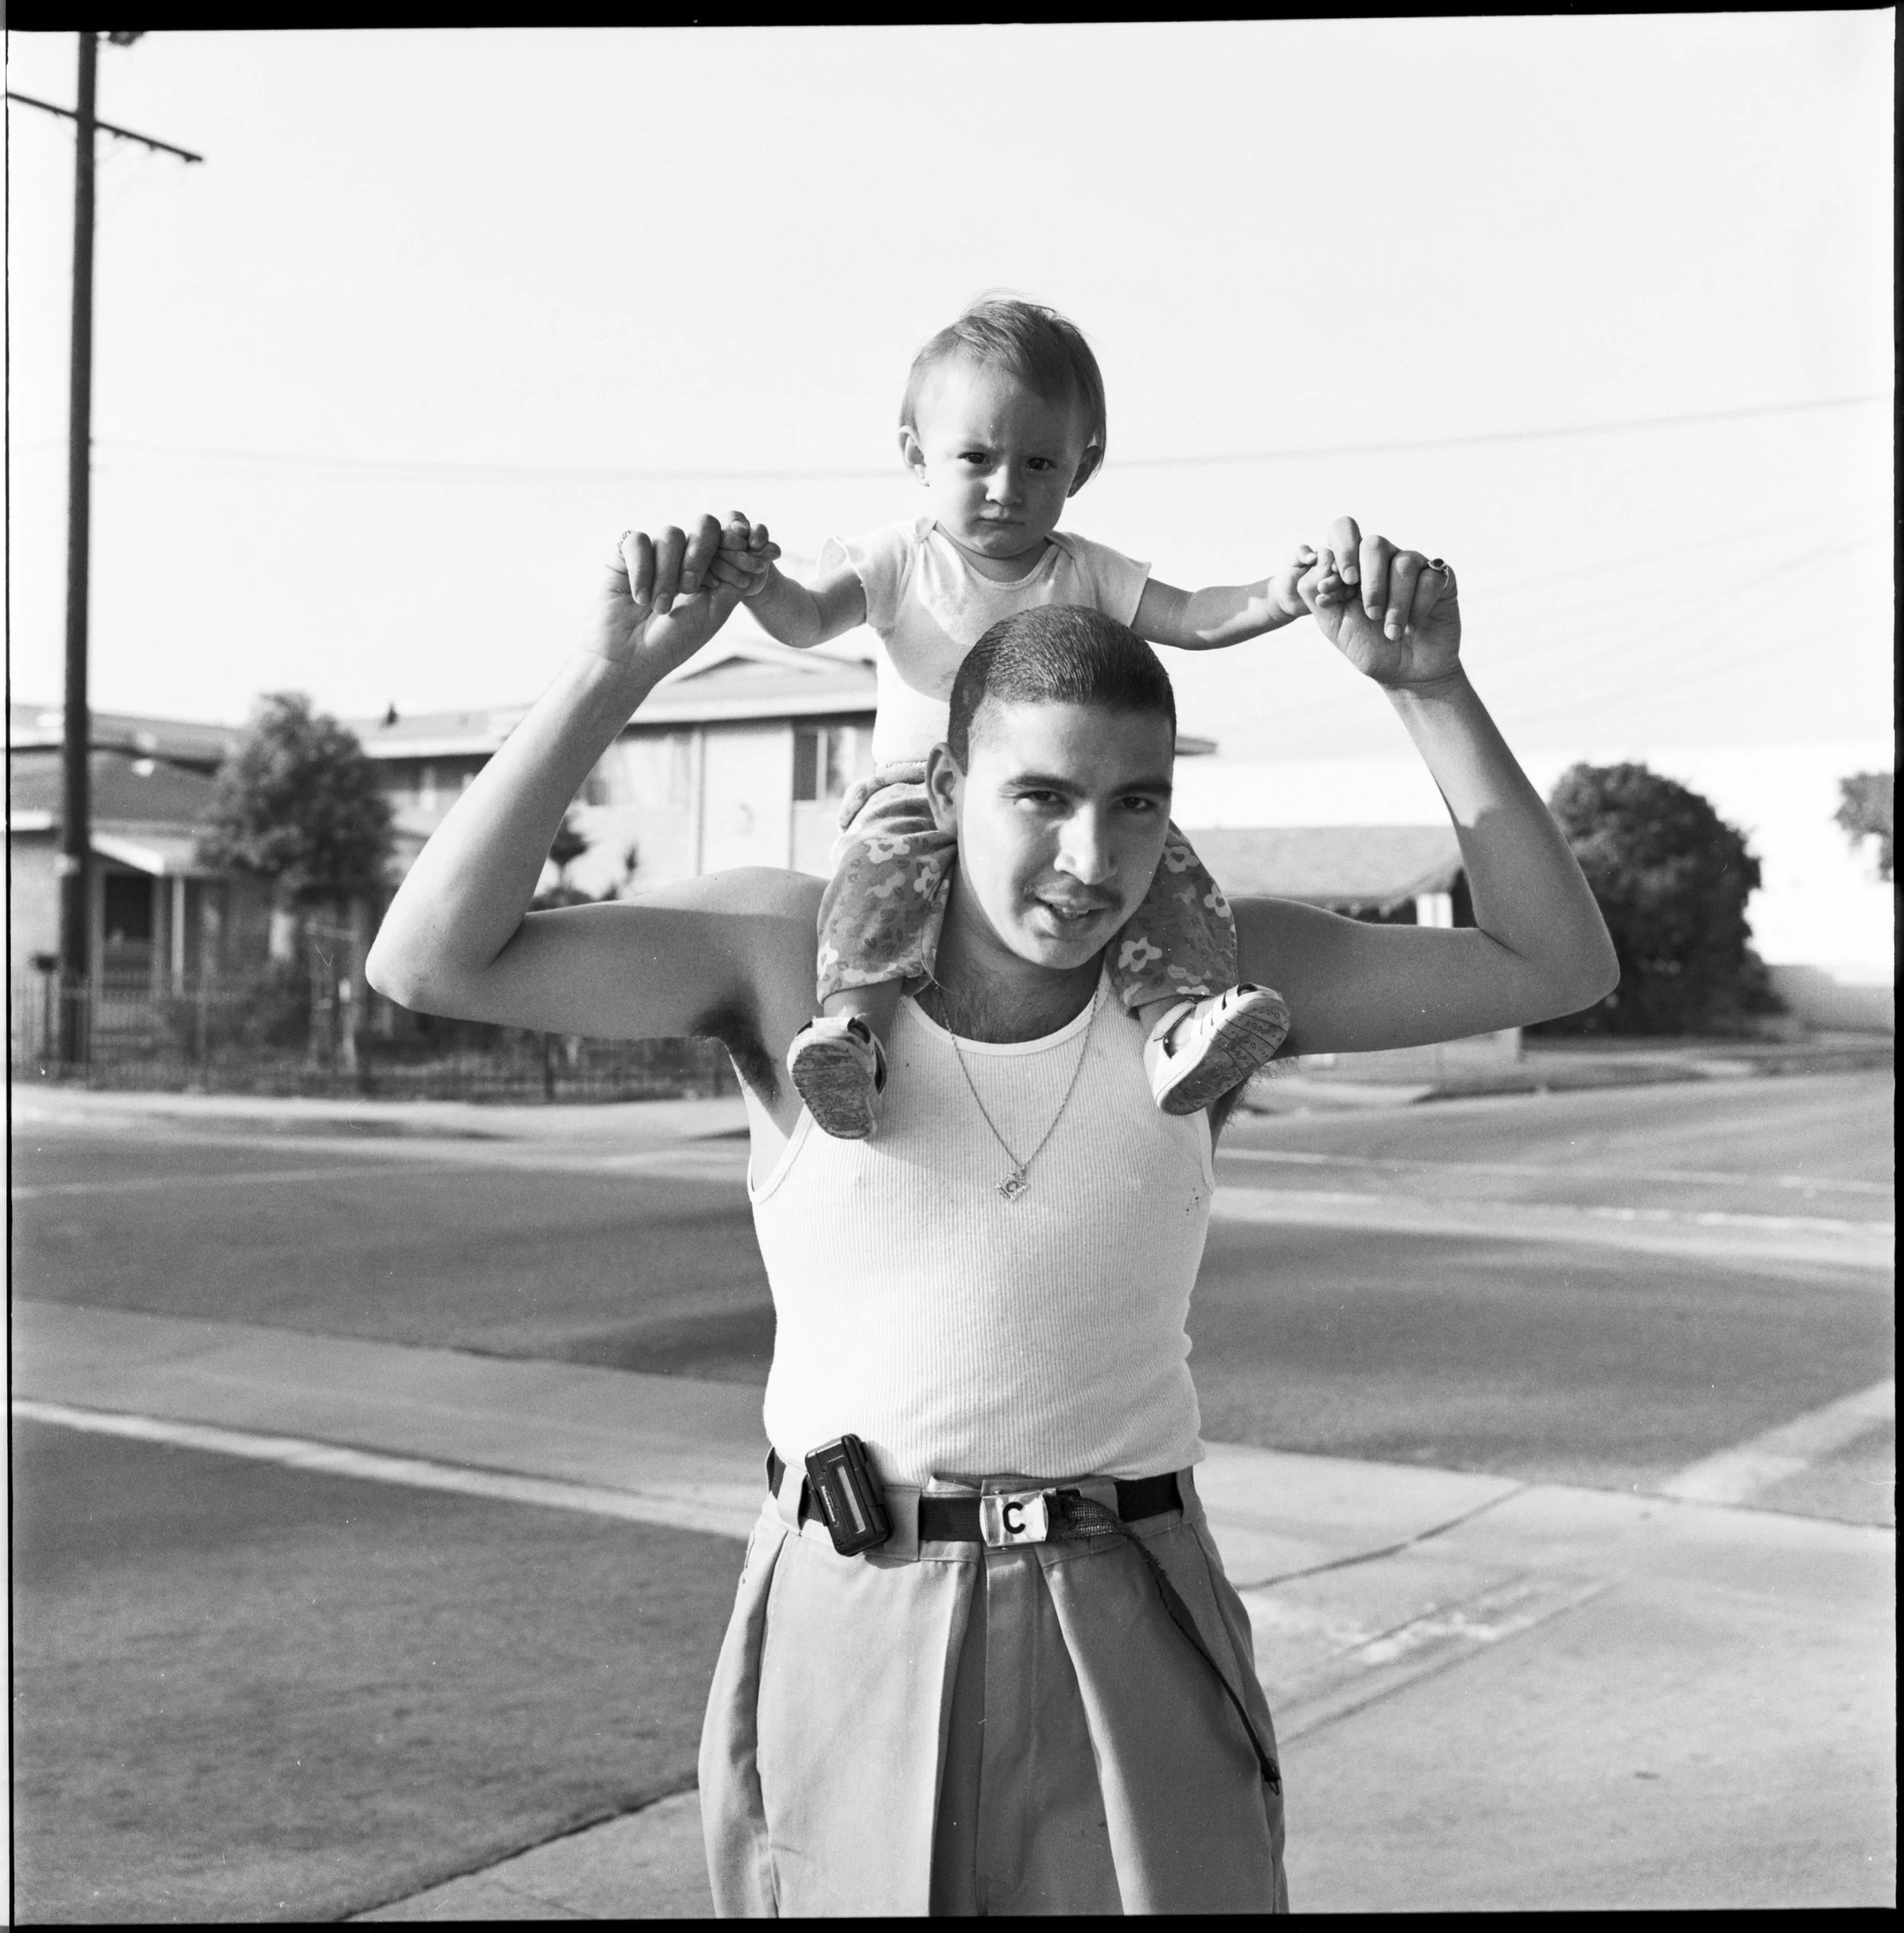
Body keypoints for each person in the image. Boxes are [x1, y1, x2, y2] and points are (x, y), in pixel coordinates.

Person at [366, 511, 1618, 1915]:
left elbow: (1554, 960)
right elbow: (429, 960)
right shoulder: (790, 960)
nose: (1094, 857)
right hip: (855, 1603)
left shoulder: (1213, 992)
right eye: (1042, 797)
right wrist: (610, 674)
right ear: (951, 782)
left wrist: (1428, 687)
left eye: (1138, 802)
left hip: (1132, 1607)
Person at [733, 296, 1314, 1139]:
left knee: (1165, 874)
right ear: (916, 456)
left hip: (1055, 800)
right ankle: (852, 1038)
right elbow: (805, 621)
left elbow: (1191, 617)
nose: (1006, 489)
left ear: (1081, 468)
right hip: (915, 788)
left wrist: (1279, 596)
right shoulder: (901, 559)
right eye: (976, 458)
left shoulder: (1087, 570)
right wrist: (758, 584)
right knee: (877, 878)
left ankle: (1175, 1029)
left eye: (1039, 464)